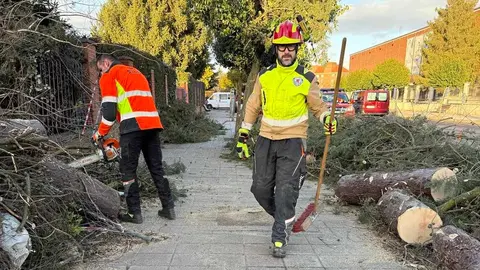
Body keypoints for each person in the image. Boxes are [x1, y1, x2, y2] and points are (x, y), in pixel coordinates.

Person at [236, 20, 337, 258]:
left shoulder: (307, 77)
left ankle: (280, 234)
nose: (286, 51)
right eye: (282, 47)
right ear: (276, 49)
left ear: (297, 48)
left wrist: (326, 119)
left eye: (291, 46)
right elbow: (252, 105)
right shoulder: (265, 75)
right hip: (265, 140)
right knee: (259, 189)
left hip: (293, 142)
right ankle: (286, 218)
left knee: (285, 191)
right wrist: (243, 134)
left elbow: (318, 107)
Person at [93, 54, 176, 224]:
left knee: (128, 170)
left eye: (100, 70)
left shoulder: (110, 74)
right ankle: (169, 208)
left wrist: (99, 134)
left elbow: (108, 113)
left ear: (106, 63)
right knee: (156, 167)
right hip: (152, 124)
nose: (101, 74)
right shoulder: (135, 72)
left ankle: (134, 214)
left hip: (132, 126)